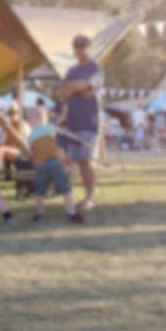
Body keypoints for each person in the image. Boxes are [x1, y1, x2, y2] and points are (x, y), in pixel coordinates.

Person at [58, 34, 103, 212]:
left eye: (84, 46)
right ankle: (84, 196)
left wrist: (73, 87)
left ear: (89, 48)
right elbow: (61, 93)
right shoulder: (71, 71)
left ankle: (90, 197)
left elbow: (88, 91)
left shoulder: (96, 68)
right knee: (76, 160)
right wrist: (77, 86)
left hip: (89, 121)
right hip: (72, 122)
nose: (80, 49)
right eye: (77, 46)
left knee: (86, 159)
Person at [28, 124, 82, 223]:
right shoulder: (51, 128)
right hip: (55, 162)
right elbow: (67, 137)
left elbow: (32, 153)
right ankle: (71, 213)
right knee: (66, 188)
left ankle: (39, 214)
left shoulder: (31, 135)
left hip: (40, 164)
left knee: (40, 190)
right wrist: (82, 143)